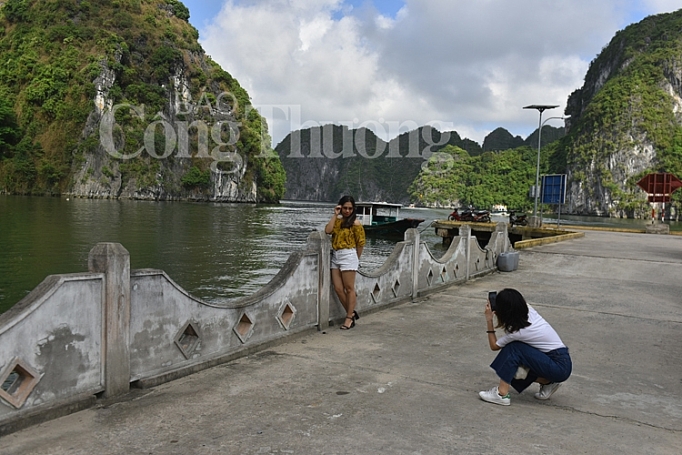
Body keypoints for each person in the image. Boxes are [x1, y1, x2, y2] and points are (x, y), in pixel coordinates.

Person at [479, 288, 572, 406]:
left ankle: (501, 394)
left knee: (513, 349)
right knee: (513, 362)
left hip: (558, 366)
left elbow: (494, 346)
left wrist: (489, 320)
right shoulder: (528, 310)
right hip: (559, 361)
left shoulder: (518, 333)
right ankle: (547, 382)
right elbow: (513, 303)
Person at [324, 195, 366, 330]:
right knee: (337, 288)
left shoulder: (356, 224)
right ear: (340, 207)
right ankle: (351, 312)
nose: (347, 211)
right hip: (336, 255)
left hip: (349, 255)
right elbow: (328, 230)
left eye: (350, 208)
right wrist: (335, 214)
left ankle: (348, 318)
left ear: (353, 209)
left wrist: (356, 259)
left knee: (349, 288)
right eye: (345, 208)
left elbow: (360, 244)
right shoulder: (338, 221)